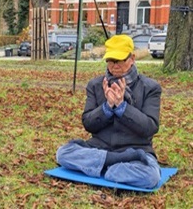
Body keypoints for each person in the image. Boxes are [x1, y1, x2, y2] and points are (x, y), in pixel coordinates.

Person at [56, 34, 162, 188]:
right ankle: (111, 167)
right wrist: (106, 107)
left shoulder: (150, 87)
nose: (114, 66)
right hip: (99, 147)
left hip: (136, 150)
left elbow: (149, 128)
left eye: (119, 60)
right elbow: (88, 124)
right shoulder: (95, 85)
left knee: (151, 176)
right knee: (63, 153)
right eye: (110, 61)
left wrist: (121, 107)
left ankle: (101, 168)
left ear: (132, 58)